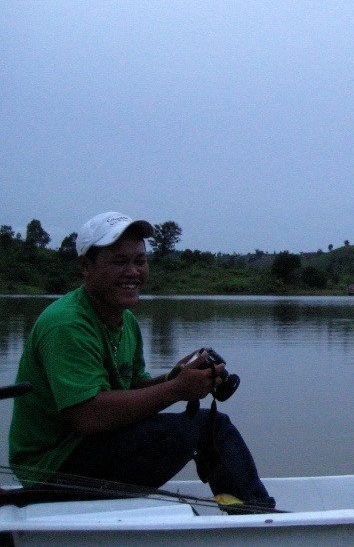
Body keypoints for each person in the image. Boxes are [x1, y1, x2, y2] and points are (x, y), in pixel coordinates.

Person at [8, 212, 275, 510]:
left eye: (140, 261)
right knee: (178, 434)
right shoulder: (67, 324)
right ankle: (78, 511)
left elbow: (133, 388)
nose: (133, 272)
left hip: (92, 447)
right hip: (51, 467)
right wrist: (175, 391)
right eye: (119, 262)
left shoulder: (126, 321)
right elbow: (88, 416)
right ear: (86, 266)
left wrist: (172, 379)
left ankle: (254, 511)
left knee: (212, 424)